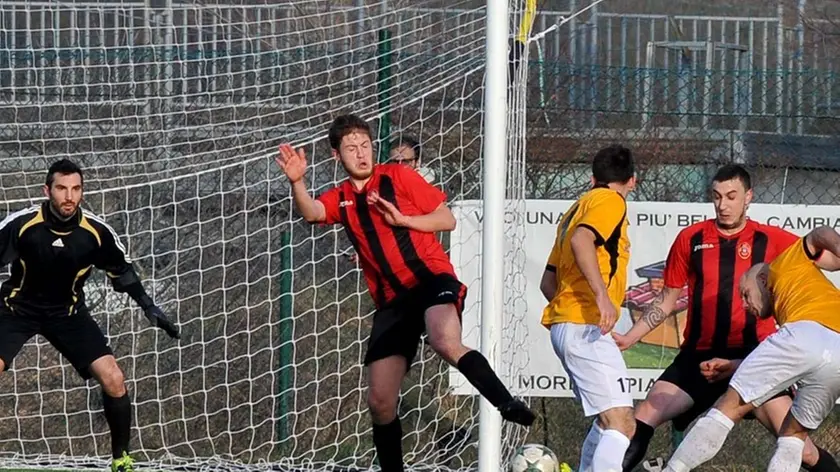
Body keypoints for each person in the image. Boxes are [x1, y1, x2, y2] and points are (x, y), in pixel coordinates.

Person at [276, 114, 534, 472]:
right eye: (351, 148)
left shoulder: (398, 176)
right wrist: (298, 183)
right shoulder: (343, 197)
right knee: (380, 401)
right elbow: (313, 212)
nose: (361, 154)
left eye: (365, 145)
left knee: (445, 340)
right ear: (337, 156)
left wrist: (405, 221)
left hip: (430, 279)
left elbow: (446, 219)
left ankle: (507, 403)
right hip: (392, 300)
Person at [612, 164, 837, 472]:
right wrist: (629, 337)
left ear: (748, 197)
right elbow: (666, 300)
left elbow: (821, 256)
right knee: (643, 416)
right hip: (698, 360)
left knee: (803, 448)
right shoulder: (690, 238)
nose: (723, 204)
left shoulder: (772, 239)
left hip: (753, 356)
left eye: (732, 196)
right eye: (716, 196)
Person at [0, 159, 180, 472]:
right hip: (16, 310)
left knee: (114, 378)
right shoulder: (23, 224)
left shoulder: (94, 232)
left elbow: (122, 272)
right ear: (47, 190)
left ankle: (121, 459)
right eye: (61, 188)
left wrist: (148, 306)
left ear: (82, 192)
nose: (68, 196)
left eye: (75, 189)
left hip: (68, 314)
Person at [662, 225, 840, 472]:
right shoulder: (803, 294)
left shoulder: (782, 264)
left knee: (728, 408)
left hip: (806, 333)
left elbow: (820, 233)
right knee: (794, 435)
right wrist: (736, 365)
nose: (744, 304)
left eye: (745, 294)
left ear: (763, 280)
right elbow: (806, 353)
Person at [539, 144, 637, 472]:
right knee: (622, 423)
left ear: (592, 178)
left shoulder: (574, 210)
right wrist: (600, 297)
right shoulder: (611, 201)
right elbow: (584, 240)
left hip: (568, 325)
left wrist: (571, 311)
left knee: (606, 421)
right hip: (585, 326)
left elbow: (547, 283)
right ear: (632, 180)